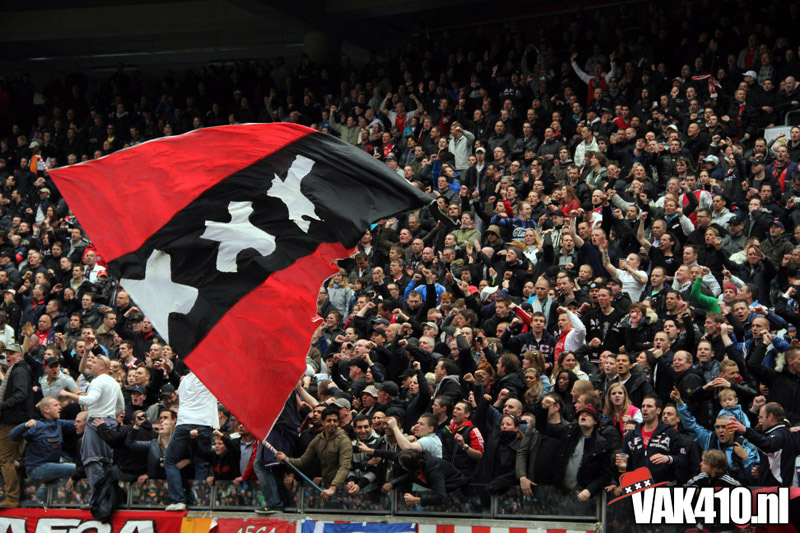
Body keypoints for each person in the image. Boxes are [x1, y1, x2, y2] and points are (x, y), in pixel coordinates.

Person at [59, 354, 124, 510]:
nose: (90, 364)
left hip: (95, 423)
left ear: (102, 367)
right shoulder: (114, 383)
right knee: (106, 462)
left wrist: (68, 394)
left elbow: (89, 400)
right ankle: (107, 499)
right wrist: (109, 418)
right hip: (109, 423)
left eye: (93, 362)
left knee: (92, 461)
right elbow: (121, 407)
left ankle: (97, 500)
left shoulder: (98, 381)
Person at [163, 372, 218, 511]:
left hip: (185, 423)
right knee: (201, 464)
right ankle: (198, 502)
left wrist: (173, 372)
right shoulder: (212, 377)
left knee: (170, 461)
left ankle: (178, 500)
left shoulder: (185, 379)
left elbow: (176, 379)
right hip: (204, 423)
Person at [275, 406, 352, 500]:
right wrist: (287, 459)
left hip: (341, 489)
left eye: (335, 421)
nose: (332, 423)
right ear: (323, 422)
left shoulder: (344, 440)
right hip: (324, 488)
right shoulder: (318, 439)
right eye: (329, 420)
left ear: (338, 422)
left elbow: (344, 466)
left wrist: (333, 487)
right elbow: (303, 461)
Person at [10, 397, 76, 487]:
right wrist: (25, 425)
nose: (60, 407)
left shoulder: (59, 423)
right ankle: (62, 491)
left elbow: (77, 423)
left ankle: (55, 493)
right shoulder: (36, 426)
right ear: (47, 410)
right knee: (74, 468)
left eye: (59, 405)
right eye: (56, 405)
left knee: (78, 466)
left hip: (53, 466)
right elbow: (13, 436)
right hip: (37, 469)